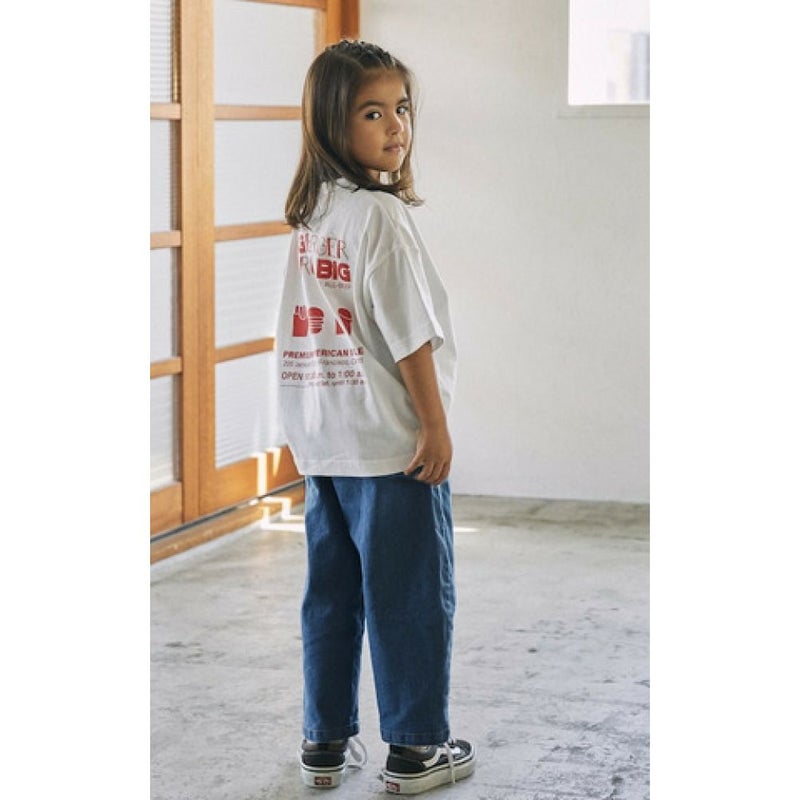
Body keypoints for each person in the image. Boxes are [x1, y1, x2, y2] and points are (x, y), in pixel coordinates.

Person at [275, 39, 475, 795]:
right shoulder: (379, 216)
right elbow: (409, 334)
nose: (396, 127)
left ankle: (324, 742)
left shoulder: (313, 213)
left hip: (324, 440)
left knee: (331, 596)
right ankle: (417, 751)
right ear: (333, 122)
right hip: (390, 445)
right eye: (372, 113)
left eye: (402, 108)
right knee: (410, 596)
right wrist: (435, 425)